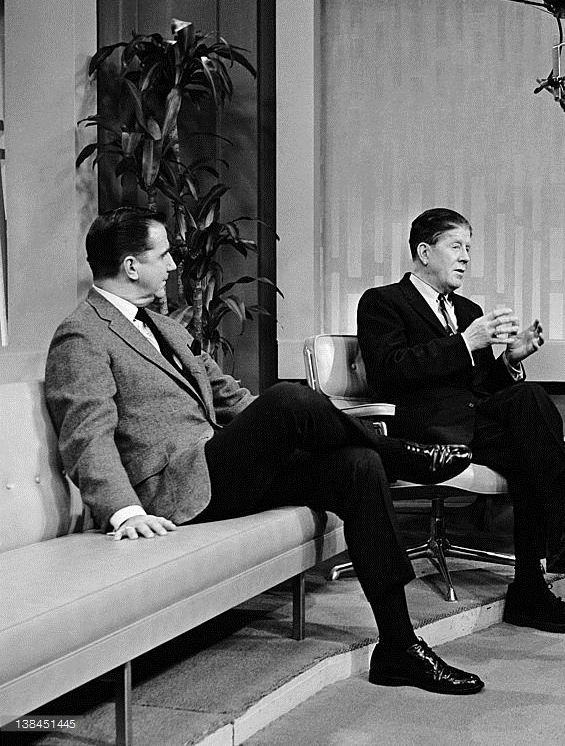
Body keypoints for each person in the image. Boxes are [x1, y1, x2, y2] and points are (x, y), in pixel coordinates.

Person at [44, 207, 483, 695]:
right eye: (164, 255)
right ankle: (400, 453)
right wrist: (124, 512)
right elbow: (86, 434)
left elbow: (229, 396)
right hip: (176, 489)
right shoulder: (82, 333)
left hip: (221, 467)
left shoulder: (164, 327)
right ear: (131, 266)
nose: (172, 265)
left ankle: (399, 646)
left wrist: (285, 427)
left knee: (356, 466)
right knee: (289, 398)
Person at [357, 208, 565, 635]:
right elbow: (388, 371)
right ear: (424, 252)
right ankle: (552, 542)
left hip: (476, 424)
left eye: (468, 247)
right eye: (456, 246)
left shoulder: (469, 309)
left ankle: (530, 586)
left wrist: (510, 360)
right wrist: (464, 342)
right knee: (531, 441)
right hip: (424, 431)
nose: (466, 257)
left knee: (528, 415)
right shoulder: (383, 302)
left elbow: (485, 389)